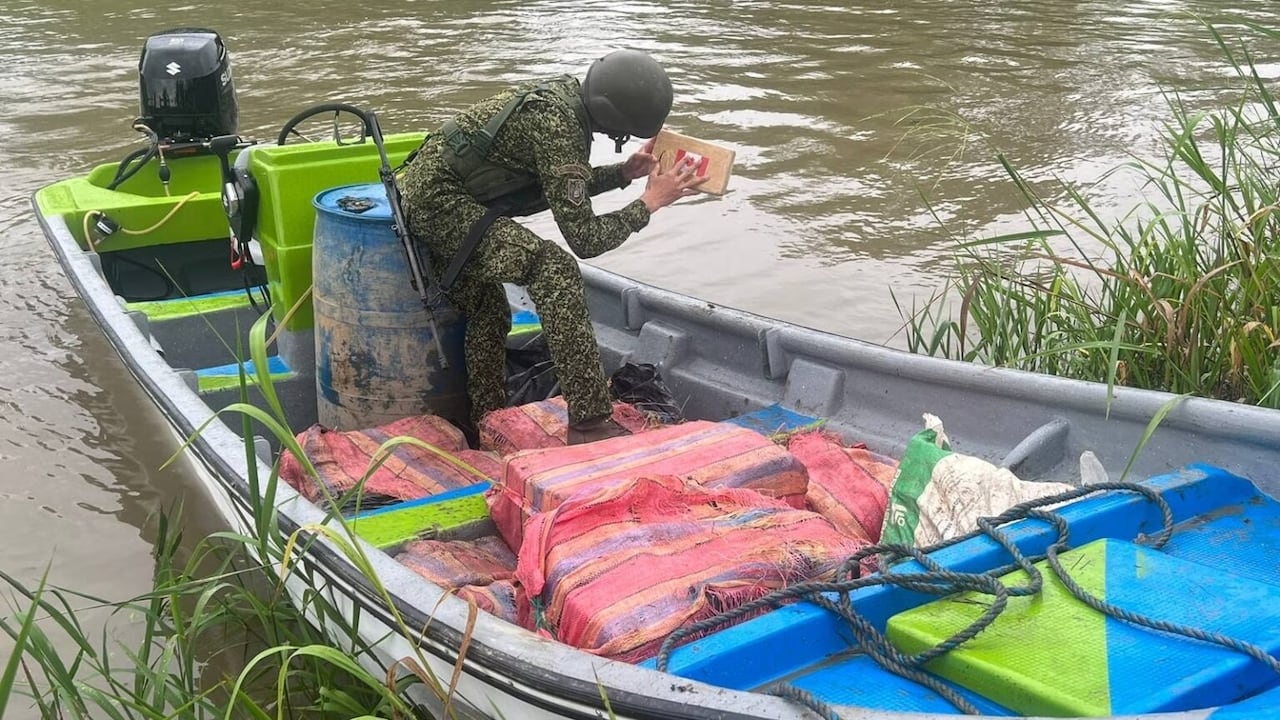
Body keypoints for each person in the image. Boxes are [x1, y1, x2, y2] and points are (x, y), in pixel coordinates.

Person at [400, 49, 707, 444]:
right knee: (553, 270)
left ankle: (487, 419)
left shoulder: (566, 101)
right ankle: (590, 422)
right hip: (438, 203)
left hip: (436, 191)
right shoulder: (558, 126)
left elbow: (560, 187)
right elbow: (586, 240)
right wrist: (649, 203)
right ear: (614, 119)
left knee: (489, 309)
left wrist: (623, 174)